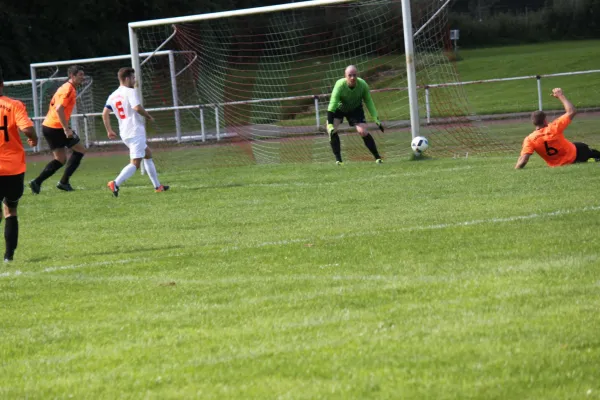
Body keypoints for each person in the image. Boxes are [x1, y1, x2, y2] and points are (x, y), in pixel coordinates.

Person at [102, 67, 169, 197]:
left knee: (148, 154)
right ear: (127, 79)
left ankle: (157, 186)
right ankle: (115, 183)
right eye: (133, 78)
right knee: (135, 163)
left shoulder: (113, 95)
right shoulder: (130, 92)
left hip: (125, 132)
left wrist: (109, 130)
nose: (134, 80)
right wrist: (148, 116)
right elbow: (137, 107)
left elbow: (105, 113)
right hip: (134, 130)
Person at [29, 65, 87, 193]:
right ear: (72, 76)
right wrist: (66, 129)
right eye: (80, 75)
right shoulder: (68, 89)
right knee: (80, 150)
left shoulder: (66, 87)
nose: (83, 78)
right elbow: (59, 108)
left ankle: (36, 182)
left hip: (49, 126)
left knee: (60, 159)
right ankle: (63, 182)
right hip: (57, 127)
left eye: (83, 75)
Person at [0, 71, 38, 262]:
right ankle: (8, 257)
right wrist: (33, 138)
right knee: (11, 209)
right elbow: (28, 129)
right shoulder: (14, 105)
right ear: (2, 84)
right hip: (13, 168)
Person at [515, 87, 600, 169]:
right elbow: (572, 111)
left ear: (533, 122)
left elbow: (524, 160)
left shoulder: (529, 139)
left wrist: (517, 168)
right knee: (583, 146)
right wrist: (560, 95)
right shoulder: (553, 127)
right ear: (545, 120)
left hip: (556, 165)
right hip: (575, 156)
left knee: (575, 144)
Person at [326, 65, 384, 165]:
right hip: (340, 108)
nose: (352, 78)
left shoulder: (363, 85)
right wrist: (330, 124)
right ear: (345, 76)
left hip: (355, 109)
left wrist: (376, 119)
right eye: (350, 75)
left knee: (362, 131)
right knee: (331, 130)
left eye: (354, 75)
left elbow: (369, 102)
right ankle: (339, 160)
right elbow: (332, 105)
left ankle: (378, 158)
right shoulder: (339, 85)